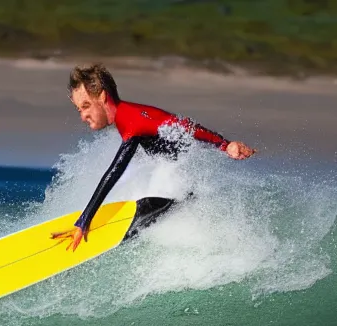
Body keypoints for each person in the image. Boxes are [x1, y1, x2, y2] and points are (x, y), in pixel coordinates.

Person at [52, 64, 256, 251]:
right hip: (182, 175)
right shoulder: (129, 117)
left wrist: (83, 221)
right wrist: (223, 144)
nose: (82, 116)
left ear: (103, 97)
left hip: (185, 180)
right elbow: (181, 126)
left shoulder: (132, 121)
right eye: (79, 109)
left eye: (86, 106)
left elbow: (114, 171)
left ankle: (167, 214)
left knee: (145, 207)